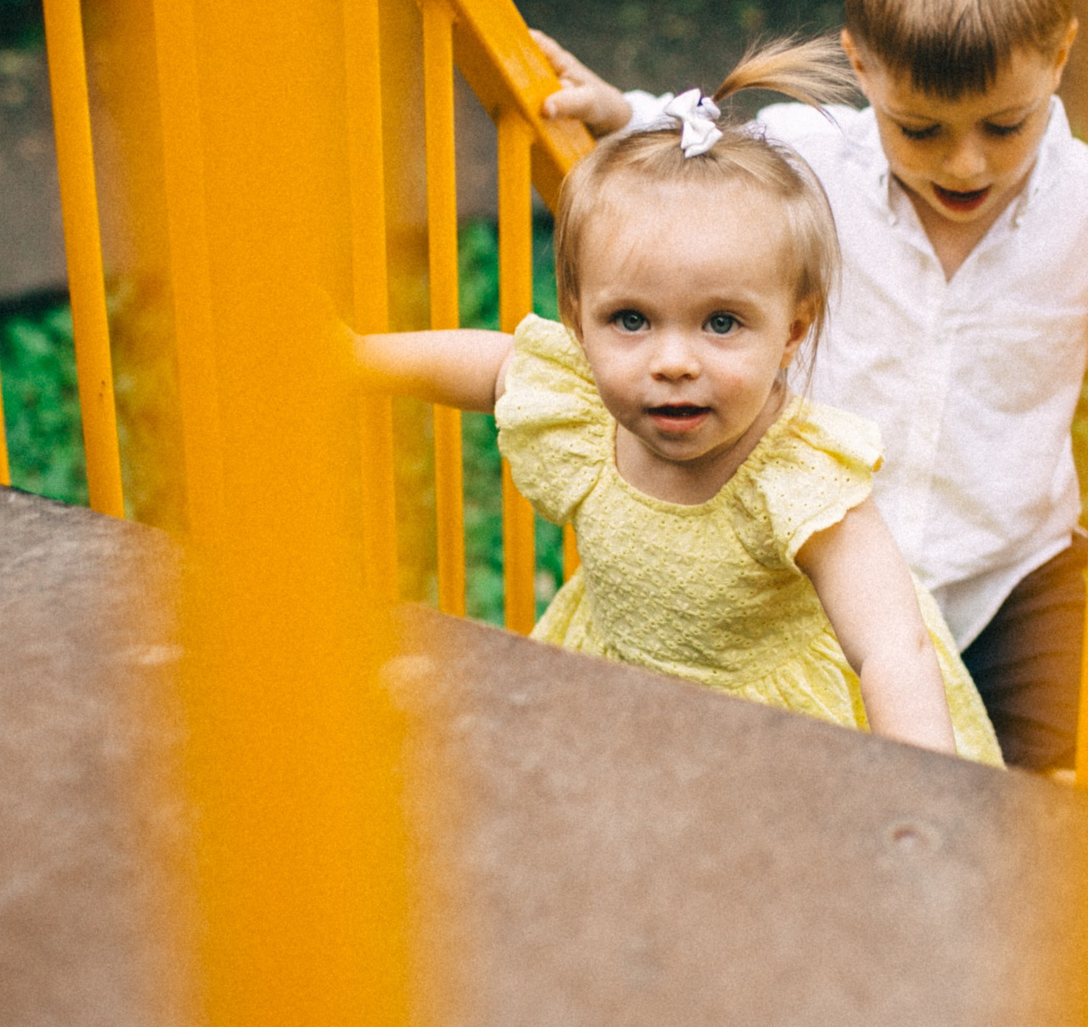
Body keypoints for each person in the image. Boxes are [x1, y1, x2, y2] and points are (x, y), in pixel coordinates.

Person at [533, 0, 1088, 774]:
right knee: (827, 776)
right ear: (861, 63)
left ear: (1061, 55)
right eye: (919, 127)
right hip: (821, 557)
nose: (965, 165)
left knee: (1047, 798)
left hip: (1012, 575)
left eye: (1006, 124)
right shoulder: (811, 160)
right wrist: (619, 113)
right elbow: (705, 160)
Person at [354, 38, 1003, 768]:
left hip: (769, 745)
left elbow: (893, 644)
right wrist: (352, 358)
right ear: (577, 316)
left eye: (721, 322)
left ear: (792, 329)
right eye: (631, 319)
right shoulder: (586, 408)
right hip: (612, 689)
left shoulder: (794, 479)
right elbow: (492, 364)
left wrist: (923, 784)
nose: (671, 362)